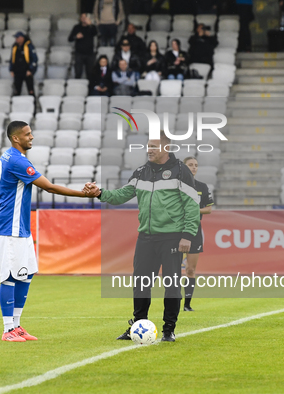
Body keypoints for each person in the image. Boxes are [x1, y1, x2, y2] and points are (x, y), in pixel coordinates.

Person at [83, 132, 201, 342]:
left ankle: (168, 330)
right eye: (148, 146)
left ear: (166, 148)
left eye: (154, 146)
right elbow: (121, 195)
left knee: (172, 284)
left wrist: (187, 235)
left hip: (172, 238)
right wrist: (100, 192)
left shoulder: (181, 171)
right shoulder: (141, 172)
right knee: (141, 283)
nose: (149, 150)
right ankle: (137, 326)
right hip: (146, 237)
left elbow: (192, 205)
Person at [0, 121, 98, 342]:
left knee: (26, 274)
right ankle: (7, 329)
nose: (31, 137)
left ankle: (17, 325)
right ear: (15, 138)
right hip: (9, 230)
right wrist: (83, 195)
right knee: (9, 278)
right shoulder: (17, 161)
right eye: (27, 134)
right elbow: (48, 187)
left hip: (19, 228)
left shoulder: (8, 157)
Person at [182, 157, 214, 312]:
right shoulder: (174, 187)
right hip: (176, 229)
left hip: (194, 229)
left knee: (190, 269)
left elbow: (208, 209)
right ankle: (173, 301)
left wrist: (193, 211)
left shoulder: (201, 186)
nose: (194, 168)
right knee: (173, 269)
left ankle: (187, 304)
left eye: (196, 165)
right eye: (190, 165)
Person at [68, 13, 98, 79]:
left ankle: (89, 88)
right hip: (79, 53)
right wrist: (76, 37)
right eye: (82, 17)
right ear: (80, 18)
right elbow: (70, 39)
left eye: (85, 17)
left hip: (90, 54)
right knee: (78, 72)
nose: (84, 19)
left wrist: (90, 24)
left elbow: (95, 33)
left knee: (90, 73)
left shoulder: (92, 27)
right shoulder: (76, 27)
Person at [9, 32, 38, 96]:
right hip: (17, 71)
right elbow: (12, 59)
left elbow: (34, 59)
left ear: (22, 38)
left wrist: (30, 70)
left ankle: (33, 104)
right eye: (16, 38)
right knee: (16, 91)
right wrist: (11, 69)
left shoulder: (29, 46)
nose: (16, 39)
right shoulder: (15, 47)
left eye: (17, 37)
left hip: (27, 71)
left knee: (31, 91)